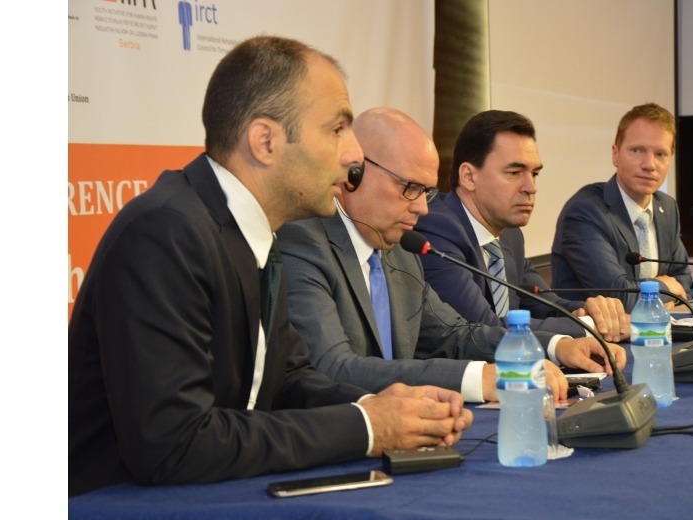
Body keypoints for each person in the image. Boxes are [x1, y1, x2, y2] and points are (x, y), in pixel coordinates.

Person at [68, 37, 471, 497]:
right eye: (337, 129)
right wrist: (367, 427)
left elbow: (288, 380)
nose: (354, 155)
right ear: (265, 141)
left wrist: (385, 406)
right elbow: (174, 443)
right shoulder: (166, 232)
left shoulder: (252, 231)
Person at [278, 107, 625, 404]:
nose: (422, 208)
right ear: (354, 172)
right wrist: (478, 378)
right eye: (410, 188)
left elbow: (455, 335)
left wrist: (556, 346)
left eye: (426, 192)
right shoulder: (304, 242)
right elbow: (333, 367)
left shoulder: (398, 250)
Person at [414, 110, 629, 343]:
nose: (531, 187)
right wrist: (589, 327)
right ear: (469, 176)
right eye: (514, 173)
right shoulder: (437, 229)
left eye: (534, 173)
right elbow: (484, 326)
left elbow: (545, 304)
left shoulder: (510, 235)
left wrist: (592, 312)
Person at [551, 102, 692, 311]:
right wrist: (664, 287)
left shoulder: (667, 207)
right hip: (591, 330)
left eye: (660, 154)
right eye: (637, 150)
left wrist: (665, 294)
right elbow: (617, 297)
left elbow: (684, 280)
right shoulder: (585, 212)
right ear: (615, 154)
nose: (649, 164)